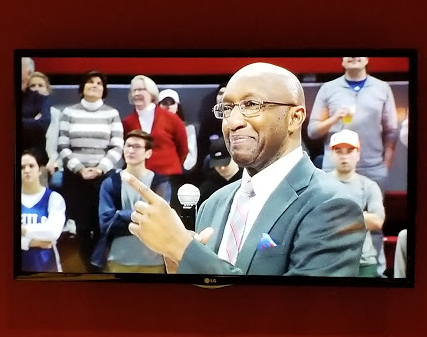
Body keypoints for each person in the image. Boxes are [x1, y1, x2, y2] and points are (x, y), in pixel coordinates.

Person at [123, 62, 366, 276]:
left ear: (294, 117)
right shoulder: (213, 203)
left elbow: (302, 316)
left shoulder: (332, 205)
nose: (233, 121)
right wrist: (182, 269)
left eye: (251, 104)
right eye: (227, 109)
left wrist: (182, 247)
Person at [58, 70, 124, 270]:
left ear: (103, 90)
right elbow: (63, 146)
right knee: (82, 227)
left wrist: (99, 169)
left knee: (102, 224)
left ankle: (100, 264)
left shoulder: (111, 114)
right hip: (76, 177)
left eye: (98, 83)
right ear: (82, 88)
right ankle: (88, 267)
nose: (94, 85)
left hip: (102, 177)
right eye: (90, 82)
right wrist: (80, 169)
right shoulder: (69, 113)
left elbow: (117, 147)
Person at [307, 57, 398, 192]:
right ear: (342, 61)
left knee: (373, 212)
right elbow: (312, 131)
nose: (354, 57)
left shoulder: (382, 88)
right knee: (335, 213)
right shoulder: (328, 88)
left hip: (373, 169)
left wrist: (386, 164)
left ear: (367, 60)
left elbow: (391, 131)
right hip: (335, 169)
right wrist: (334, 118)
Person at [91, 130, 171, 273]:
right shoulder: (110, 183)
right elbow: (106, 222)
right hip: (117, 258)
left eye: (137, 147)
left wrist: (121, 215)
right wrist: (140, 216)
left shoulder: (160, 183)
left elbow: (160, 220)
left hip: (153, 259)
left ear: (148, 153)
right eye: (127, 146)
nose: (130, 150)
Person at [329, 129, 386, 277]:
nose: (344, 156)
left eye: (349, 151)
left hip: (363, 262)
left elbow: (377, 221)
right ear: (331, 154)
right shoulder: (319, 184)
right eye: (338, 151)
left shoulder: (369, 186)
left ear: (358, 154)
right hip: (328, 260)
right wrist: (361, 216)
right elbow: (314, 220)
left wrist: (334, 215)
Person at [122, 75, 188, 176]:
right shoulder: (127, 122)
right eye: (134, 90)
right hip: (139, 177)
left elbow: (183, 148)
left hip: (169, 175)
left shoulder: (171, 118)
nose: (137, 93)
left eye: (141, 89)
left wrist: (172, 166)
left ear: (152, 93)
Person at [21, 149, 66, 272]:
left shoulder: (54, 198)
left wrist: (23, 230)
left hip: (47, 268)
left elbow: (53, 232)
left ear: (40, 170)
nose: (27, 170)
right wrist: (29, 243)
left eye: (31, 166)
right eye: (22, 167)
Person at [27, 71, 63, 191]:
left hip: (52, 165)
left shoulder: (58, 115)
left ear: (48, 90)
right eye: (32, 86)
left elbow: (64, 145)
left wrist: (56, 164)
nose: (36, 89)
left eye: (40, 85)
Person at [158, 88, 198, 172]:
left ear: (177, 106)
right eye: (164, 103)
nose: (168, 107)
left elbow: (191, 157)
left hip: (180, 170)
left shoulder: (188, 129)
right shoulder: (152, 128)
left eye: (172, 103)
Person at [21, 57, 51, 167]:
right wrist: (31, 122)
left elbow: (42, 124)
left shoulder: (40, 99)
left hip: (35, 160)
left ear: (29, 73)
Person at [198, 137, 243, 205]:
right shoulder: (207, 188)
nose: (222, 168)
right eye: (218, 165)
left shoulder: (246, 182)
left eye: (225, 164)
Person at [197, 81, 227, 170]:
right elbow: (202, 152)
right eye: (220, 93)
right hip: (213, 166)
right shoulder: (208, 125)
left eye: (226, 93)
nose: (222, 97)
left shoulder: (239, 121)